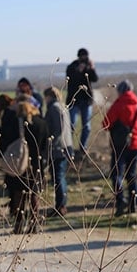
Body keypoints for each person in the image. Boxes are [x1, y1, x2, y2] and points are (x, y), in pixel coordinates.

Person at [0, 96, 49, 234]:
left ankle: (19, 224)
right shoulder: (41, 123)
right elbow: (46, 145)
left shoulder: (14, 124)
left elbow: (4, 143)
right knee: (34, 194)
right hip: (36, 163)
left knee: (18, 194)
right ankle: (35, 223)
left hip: (19, 163)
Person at [103, 80, 137, 216]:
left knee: (117, 174)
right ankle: (133, 205)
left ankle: (120, 202)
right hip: (135, 144)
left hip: (120, 145)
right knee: (132, 175)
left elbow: (105, 123)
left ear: (120, 91)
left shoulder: (118, 104)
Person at [43, 87, 74, 217]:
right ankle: (60, 204)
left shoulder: (54, 108)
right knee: (59, 176)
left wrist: (50, 143)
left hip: (58, 148)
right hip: (66, 145)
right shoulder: (62, 107)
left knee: (58, 177)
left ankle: (61, 206)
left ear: (48, 96)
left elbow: (58, 129)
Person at [66, 48, 99, 152]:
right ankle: (69, 148)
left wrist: (92, 68)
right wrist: (78, 71)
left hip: (86, 100)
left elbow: (95, 79)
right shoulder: (72, 67)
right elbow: (70, 80)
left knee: (87, 126)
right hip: (74, 100)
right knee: (71, 124)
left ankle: (83, 148)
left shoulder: (89, 66)